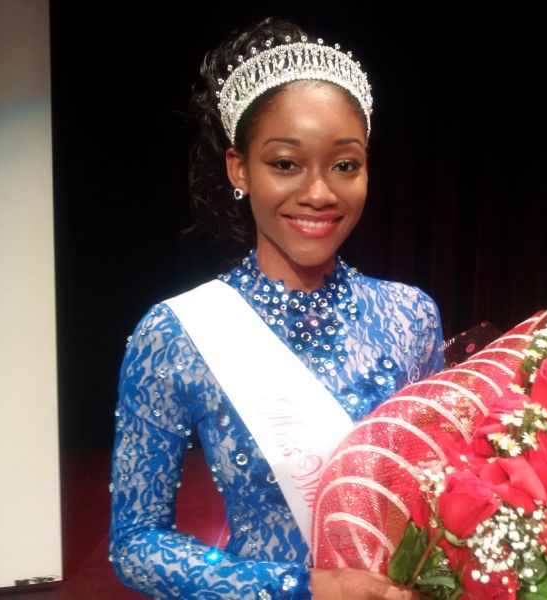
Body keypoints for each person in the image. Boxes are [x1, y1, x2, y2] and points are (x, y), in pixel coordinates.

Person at [109, 17, 444, 599]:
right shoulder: (176, 333)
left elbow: (441, 487)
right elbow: (135, 543)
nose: (319, 193)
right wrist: (303, 586)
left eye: (345, 164)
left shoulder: (411, 315)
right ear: (239, 168)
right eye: (286, 163)